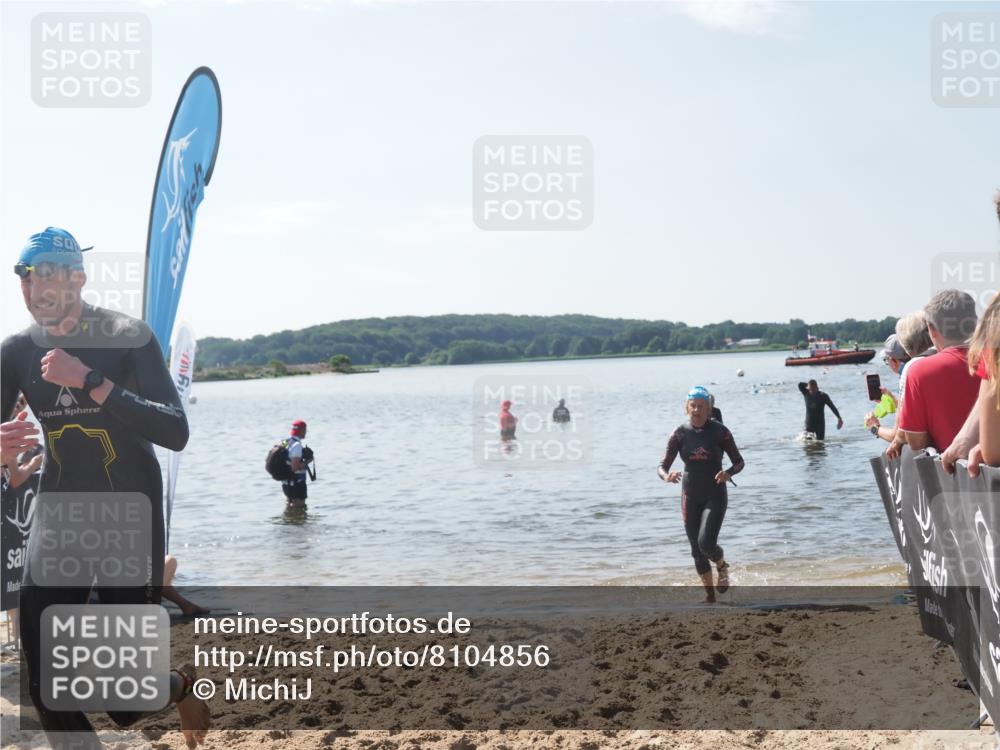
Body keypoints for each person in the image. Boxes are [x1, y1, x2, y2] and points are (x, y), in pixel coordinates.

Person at [0, 227, 210, 749]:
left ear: (79, 278)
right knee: (46, 685)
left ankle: (179, 686)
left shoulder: (127, 336)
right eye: (27, 276)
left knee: (124, 703)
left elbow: (174, 430)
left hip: (129, 519)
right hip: (58, 517)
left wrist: (91, 380)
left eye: (49, 275)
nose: (36, 288)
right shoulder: (16, 352)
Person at [658, 386, 745, 604]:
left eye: (701, 406)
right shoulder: (679, 433)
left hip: (715, 494)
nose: (696, 410)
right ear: (687, 407)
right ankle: (710, 597)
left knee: (706, 543)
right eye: (693, 406)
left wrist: (728, 473)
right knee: (696, 550)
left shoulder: (720, 431)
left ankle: (722, 565)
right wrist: (667, 476)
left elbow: (739, 461)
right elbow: (661, 466)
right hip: (690, 494)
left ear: (709, 408)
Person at [888, 289, 979, 458]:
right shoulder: (993, 360)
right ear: (973, 322)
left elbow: (916, 442)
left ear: (931, 329)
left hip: (954, 473)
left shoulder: (919, 371)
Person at [865, 334, 908, 443]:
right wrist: (891, 397)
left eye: (886, 360)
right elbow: (909, 407)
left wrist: (874, 427)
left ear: (893, 361)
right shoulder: (919, 368)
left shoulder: (906, 377)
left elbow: (897, 437)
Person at [282, 419, 312, 508]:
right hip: (297, 483)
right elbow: (294, 467)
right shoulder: (297, 446)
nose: (306, 432)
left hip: (286, 483)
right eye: (305, 430)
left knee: (289, 506)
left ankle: (290, 520)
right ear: (302, 431)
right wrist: (307, 462)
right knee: (299, 508)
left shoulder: (285, 442)